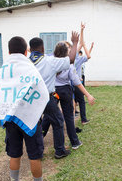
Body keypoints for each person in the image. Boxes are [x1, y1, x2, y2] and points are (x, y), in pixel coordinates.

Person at [0, 36, 52, 181]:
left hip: (10, 119)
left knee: (14, 154)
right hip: (29, 118)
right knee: (34, 154)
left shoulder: (3, 69)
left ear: (9, 51)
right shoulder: (30, 68)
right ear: (26, 51)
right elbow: (42, 93)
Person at [29, 31, 79, 159]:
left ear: (30, 49)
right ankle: (59, 150)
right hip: (46, 97)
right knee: (58, 121)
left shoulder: (26, 62)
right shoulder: (49, 61)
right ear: (43, 48)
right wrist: (75, 43)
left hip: (30, 98)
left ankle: (36, 151)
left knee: (35, 123)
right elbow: (71, 59)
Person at [42, 41, 95, 149]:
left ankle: (39, 138)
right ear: (66, 52)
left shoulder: (50, 61)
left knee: (48, 115)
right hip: (65, 91)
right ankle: (74, 142)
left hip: (54, 92)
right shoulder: (69, 65)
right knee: (69, 117)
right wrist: (88, 95)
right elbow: (77, 82)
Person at [74, 23, 93, 125]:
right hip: (76, 83)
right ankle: (83, 119)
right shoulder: (77, 58)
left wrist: (81, 30)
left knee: (71, 102)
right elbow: (82, 44)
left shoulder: (71, 57)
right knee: (81, 101)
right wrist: (82, 30)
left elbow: (81, 44)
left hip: (67, 84)